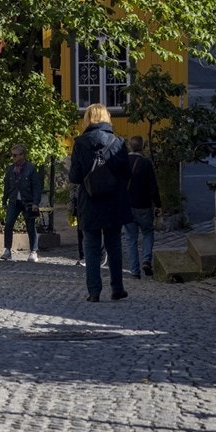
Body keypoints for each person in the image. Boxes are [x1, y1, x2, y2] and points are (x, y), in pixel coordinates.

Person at [68, 102, 131, 302]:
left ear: (87, 119)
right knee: (114, 245)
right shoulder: (118, 142)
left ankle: (94, 292)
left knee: (91, 248)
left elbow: (74, 176)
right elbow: (127, 172)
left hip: (90, 201)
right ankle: (117, 288)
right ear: (106, 118)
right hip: (113, 201)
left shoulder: (80, 143)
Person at [124, 135, 160, 278]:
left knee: (130, 238)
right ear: (142, 147)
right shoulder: (146, 163)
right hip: (144, 205)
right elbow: (153, 187)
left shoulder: (123, 162)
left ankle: (134, 270)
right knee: (148, 232)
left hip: (127, 206)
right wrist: (158, 204)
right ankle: (146, 259)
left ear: (130, 146)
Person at [1, 143, 43, 262]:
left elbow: (36, 187)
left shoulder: (31, 169)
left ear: (22, 155)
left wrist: (35, 202)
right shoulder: (10, 169)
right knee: (8, 223)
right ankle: (7, 250)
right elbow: (7, 186)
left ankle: (33, 251)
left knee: (30, 226)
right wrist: (4, 201)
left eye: (15, 155)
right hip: (14, 201)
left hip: (28, 202)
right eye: (12, 155)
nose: (13, 157)